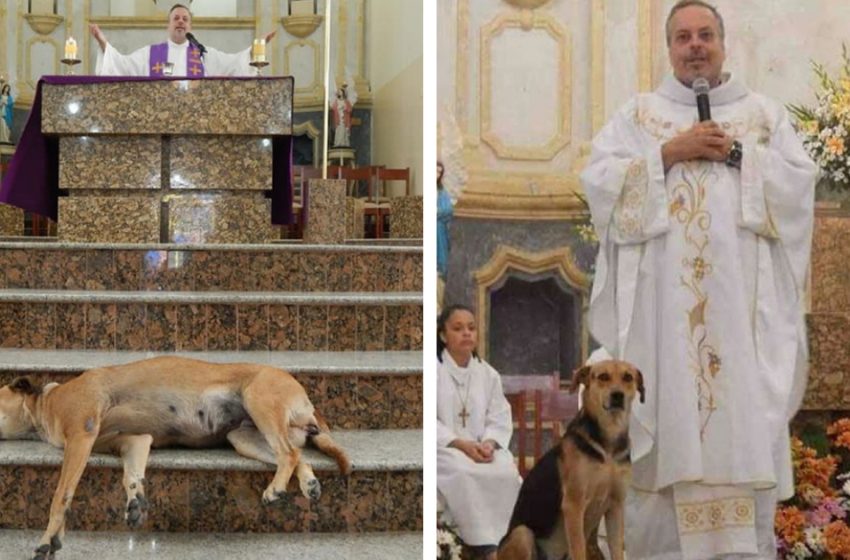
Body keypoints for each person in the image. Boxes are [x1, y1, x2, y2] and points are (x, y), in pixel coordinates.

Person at [580, 1, 817, 558]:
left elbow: (797, 190)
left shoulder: (762, 116)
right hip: (666, 328)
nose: (695, 46)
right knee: (670, 423)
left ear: (723, 44)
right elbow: (600, 183)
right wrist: (666, 153)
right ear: (668, 48)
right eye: (683, 36)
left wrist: (737, 155)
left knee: (740, 417)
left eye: (705, 35)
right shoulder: (639, 117)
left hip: (741, 322)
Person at [437, 304, 521, 560]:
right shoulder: (433, 371)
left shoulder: (488, 374)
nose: (467, 334)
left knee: (507, 472)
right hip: (446, 448)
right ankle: (484, 546)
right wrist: (461, 444)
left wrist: (489, 443)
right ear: (443, 335)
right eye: (458, 328)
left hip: (483, 448)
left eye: (471, 328)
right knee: (463, 472)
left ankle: (507, 542)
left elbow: (499, 416)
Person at [89, 4, 276, 77]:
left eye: (185, 19)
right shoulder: (151, 53)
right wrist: (102, 41)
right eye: (176, 18)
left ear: (190, 27)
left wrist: (255, 50)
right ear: (168, 25)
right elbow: (123, 65)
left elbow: (233, 63)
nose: (180, 21)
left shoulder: (203, 54)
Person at [437, 160, 453, 279]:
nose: (437, 174)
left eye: (439, 172)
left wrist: (437, 213)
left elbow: (448, 210)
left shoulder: (441, 192)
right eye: (435, 171)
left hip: (439, 226)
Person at [330, 82, 357, 147]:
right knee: (339, 130)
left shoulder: (346, 101)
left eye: (340, 91)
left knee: (344, 130)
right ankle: (338, 143)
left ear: (343, 93)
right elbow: (334, 108)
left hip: (344, 119)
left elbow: (349, 109)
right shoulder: (336, 101)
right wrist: (339, 108)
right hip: (338, 118)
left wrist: (344, 108)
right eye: (339, 92)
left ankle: (344, 143)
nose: (340, 92)